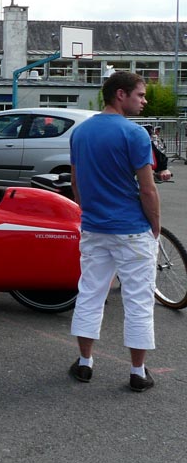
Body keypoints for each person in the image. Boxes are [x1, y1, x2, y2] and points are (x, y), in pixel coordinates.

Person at [68, 71, 161, 392]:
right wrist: (155, 226)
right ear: (120, 95)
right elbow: (147, 190)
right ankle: (137, 371)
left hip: (94, 228)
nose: (144, 101)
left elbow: (77, 183)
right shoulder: (135, 135)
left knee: (91, 294)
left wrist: (88, 213)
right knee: (138, 300)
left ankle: (84, 363)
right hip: (132, 230)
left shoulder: (80, 133)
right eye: (140, 94)